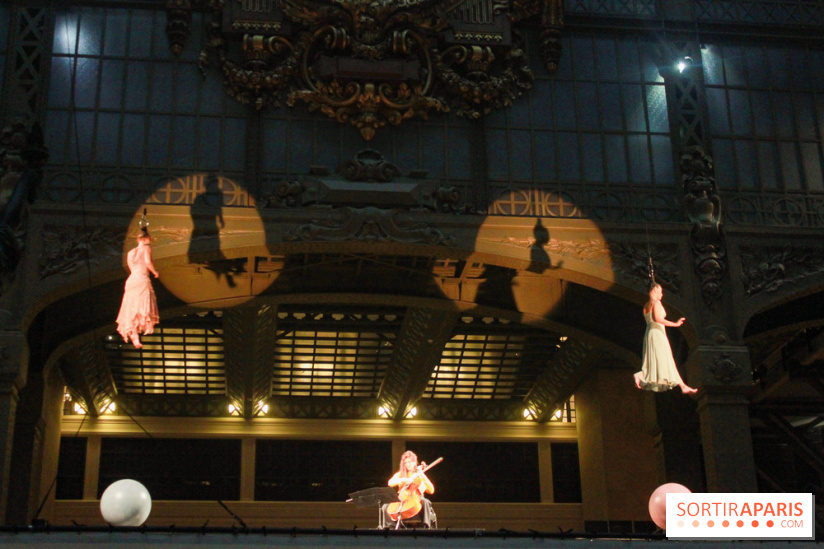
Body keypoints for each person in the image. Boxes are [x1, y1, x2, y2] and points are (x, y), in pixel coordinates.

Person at [634, 282, 697, 394]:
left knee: (659, 360)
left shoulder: (646, 305)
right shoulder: (656, 303)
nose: (662, 295)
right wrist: (675, 324)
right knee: (666, 360)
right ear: (655, 290)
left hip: (650, 333)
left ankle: (682, 386)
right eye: (661, 291)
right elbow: (658, 319)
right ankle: (682, 386)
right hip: (657, 333)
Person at [116, 228, 160, 349]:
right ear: (145, 239)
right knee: (142, 307)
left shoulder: (130, 253)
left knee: (131, 308)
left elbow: (131, 267)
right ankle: (137, 334)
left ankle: (134, 336)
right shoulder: (146, 248)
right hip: (141, 279)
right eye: (149, 238)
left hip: (132, 280)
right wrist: (154, 271)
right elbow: (147, 262)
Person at [383, 451, 436, 528]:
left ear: (414, 462)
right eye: (406, 462)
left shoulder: (419, 475)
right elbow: (390, 482)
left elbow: (431, 490)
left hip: (416, 499)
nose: (408, 464)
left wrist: (422, 475)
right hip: (403, 499)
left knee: (425, 502)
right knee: (385, 506)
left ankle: (426, 526)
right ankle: (391, 527)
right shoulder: (401, 474)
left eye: (410, 462)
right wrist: (404, 480)